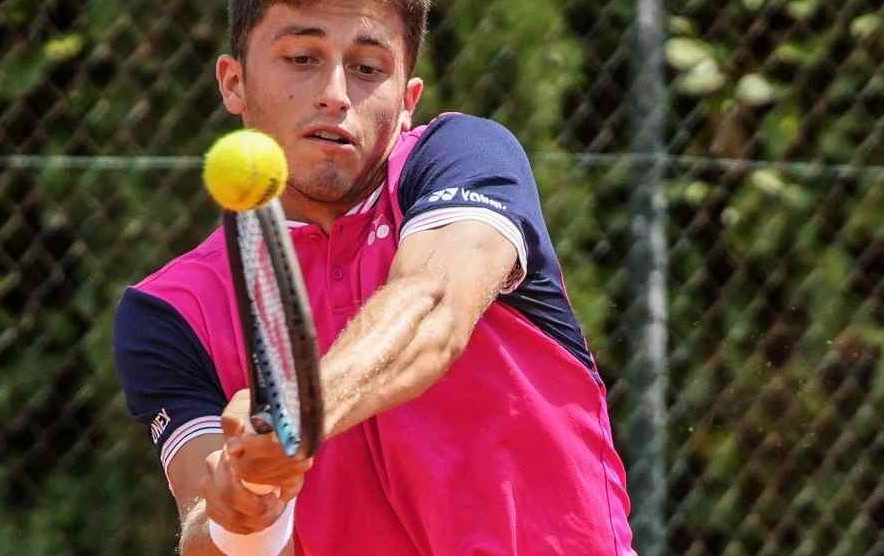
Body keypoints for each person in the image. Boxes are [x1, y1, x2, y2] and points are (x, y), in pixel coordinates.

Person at [114, 1, 637, 554]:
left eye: (367, 68)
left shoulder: (464, 158)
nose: (335, 92)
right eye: (300, 57)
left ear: (408, 101)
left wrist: (297, 415)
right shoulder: (168, 311)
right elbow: (206, 525)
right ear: (234, 82)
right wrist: (246, 508)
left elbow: (432, 306)